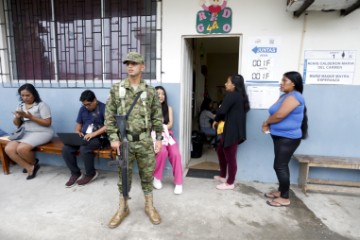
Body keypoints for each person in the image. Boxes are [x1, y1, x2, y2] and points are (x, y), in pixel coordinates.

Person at [105, 52, 163, 228]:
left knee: (147, 175)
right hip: (125, 142)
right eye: (128, 63)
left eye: (134, 63)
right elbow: (109, 116)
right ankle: (123, 208)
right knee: (124, 177)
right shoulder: (117, 89)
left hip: (145, 141)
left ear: (142, 67)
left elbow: (157, 116)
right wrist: (113, 138)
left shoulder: (150, 91)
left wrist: (159, 138)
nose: (130, 66)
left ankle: (149, 205)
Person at [262, 71, 308, 207]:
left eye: (284, 80)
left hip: (288, 138)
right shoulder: (285, 96)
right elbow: (275, 113)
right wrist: (269, 123)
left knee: (280, 166)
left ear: (293, 83)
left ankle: (285, 197)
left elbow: (279, 115)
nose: (281, 83)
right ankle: (281, 191)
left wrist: (266, 123)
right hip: (279, 136)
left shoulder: (296, 97)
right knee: (280, 165)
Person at [5, 83, 54, 179]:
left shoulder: (41, 105)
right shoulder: (20, 105)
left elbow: (48, 123)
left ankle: (33, 164)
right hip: (25, 132)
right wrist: (17, 117)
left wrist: (31, 117)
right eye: (22, 95)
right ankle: (30, 167)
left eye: (28, 95)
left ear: (34, 94)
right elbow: (16, 124)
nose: (25, 98)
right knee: (8, 149)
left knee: (21, 149)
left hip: (42, 132)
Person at [62, 90, 107, 187]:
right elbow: (78, 124)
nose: (87, 107)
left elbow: (108, 125)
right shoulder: (83, 109)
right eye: (84, 104)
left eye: (88, 104)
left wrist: (94, 134)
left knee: (84, 149)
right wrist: (77, 132)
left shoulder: (104, 108)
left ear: (95, 100)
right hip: (84, 136)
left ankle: (91, 173)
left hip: (99, 137)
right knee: (66, 148)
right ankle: (75, 173)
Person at [212, 74, 250, 190]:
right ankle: (223, 175)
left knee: (230, 156)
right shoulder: (239, 96)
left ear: (233, 85)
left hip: (232, 131)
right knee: (220, 150)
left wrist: (216, 120)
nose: (225, 84)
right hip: (232, 130)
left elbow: (222, 111)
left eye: (227, 82)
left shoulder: (232, 95)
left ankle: (230, 182)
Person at [152, 86, 183, 195]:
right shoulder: (149, 109)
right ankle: (156, 178)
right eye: (158, 93)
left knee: (176, 154)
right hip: (154, 135)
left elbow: (170, 124)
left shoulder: (168, 108)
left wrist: (162, 125)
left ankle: (179, 182)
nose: (161, 96)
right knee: (162, 152)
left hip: (167, 135)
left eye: (162, 94)